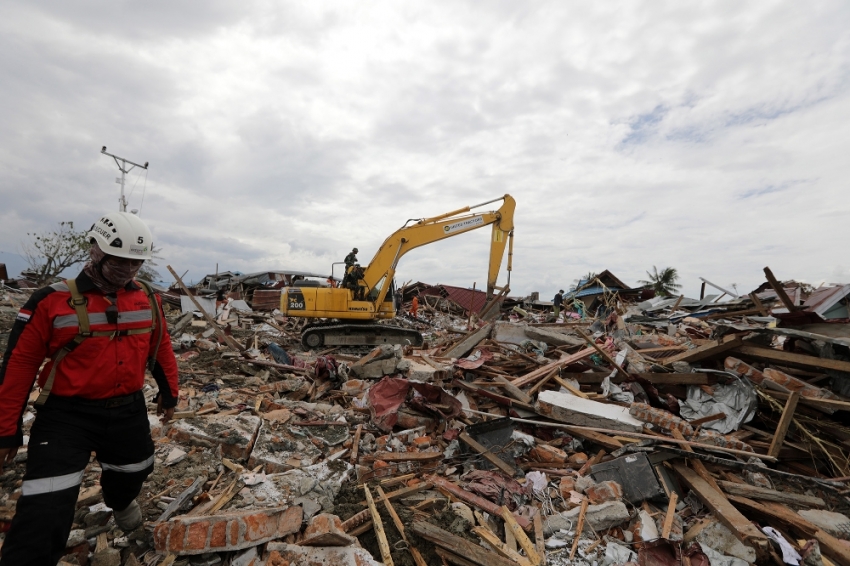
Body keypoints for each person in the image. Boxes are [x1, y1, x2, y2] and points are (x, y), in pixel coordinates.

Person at [0, 212, 180, 565]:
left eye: (135, 265)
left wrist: (169, 393)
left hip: (127, 409)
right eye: (119, 264)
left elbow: (160, 347)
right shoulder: (49, 302)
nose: (128, 272)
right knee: (45, 508)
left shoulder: (147, 298)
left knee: (136, 469)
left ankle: (119, 500)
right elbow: (19, 366)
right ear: (95, 252)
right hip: (66, 416)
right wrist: (6, 431)